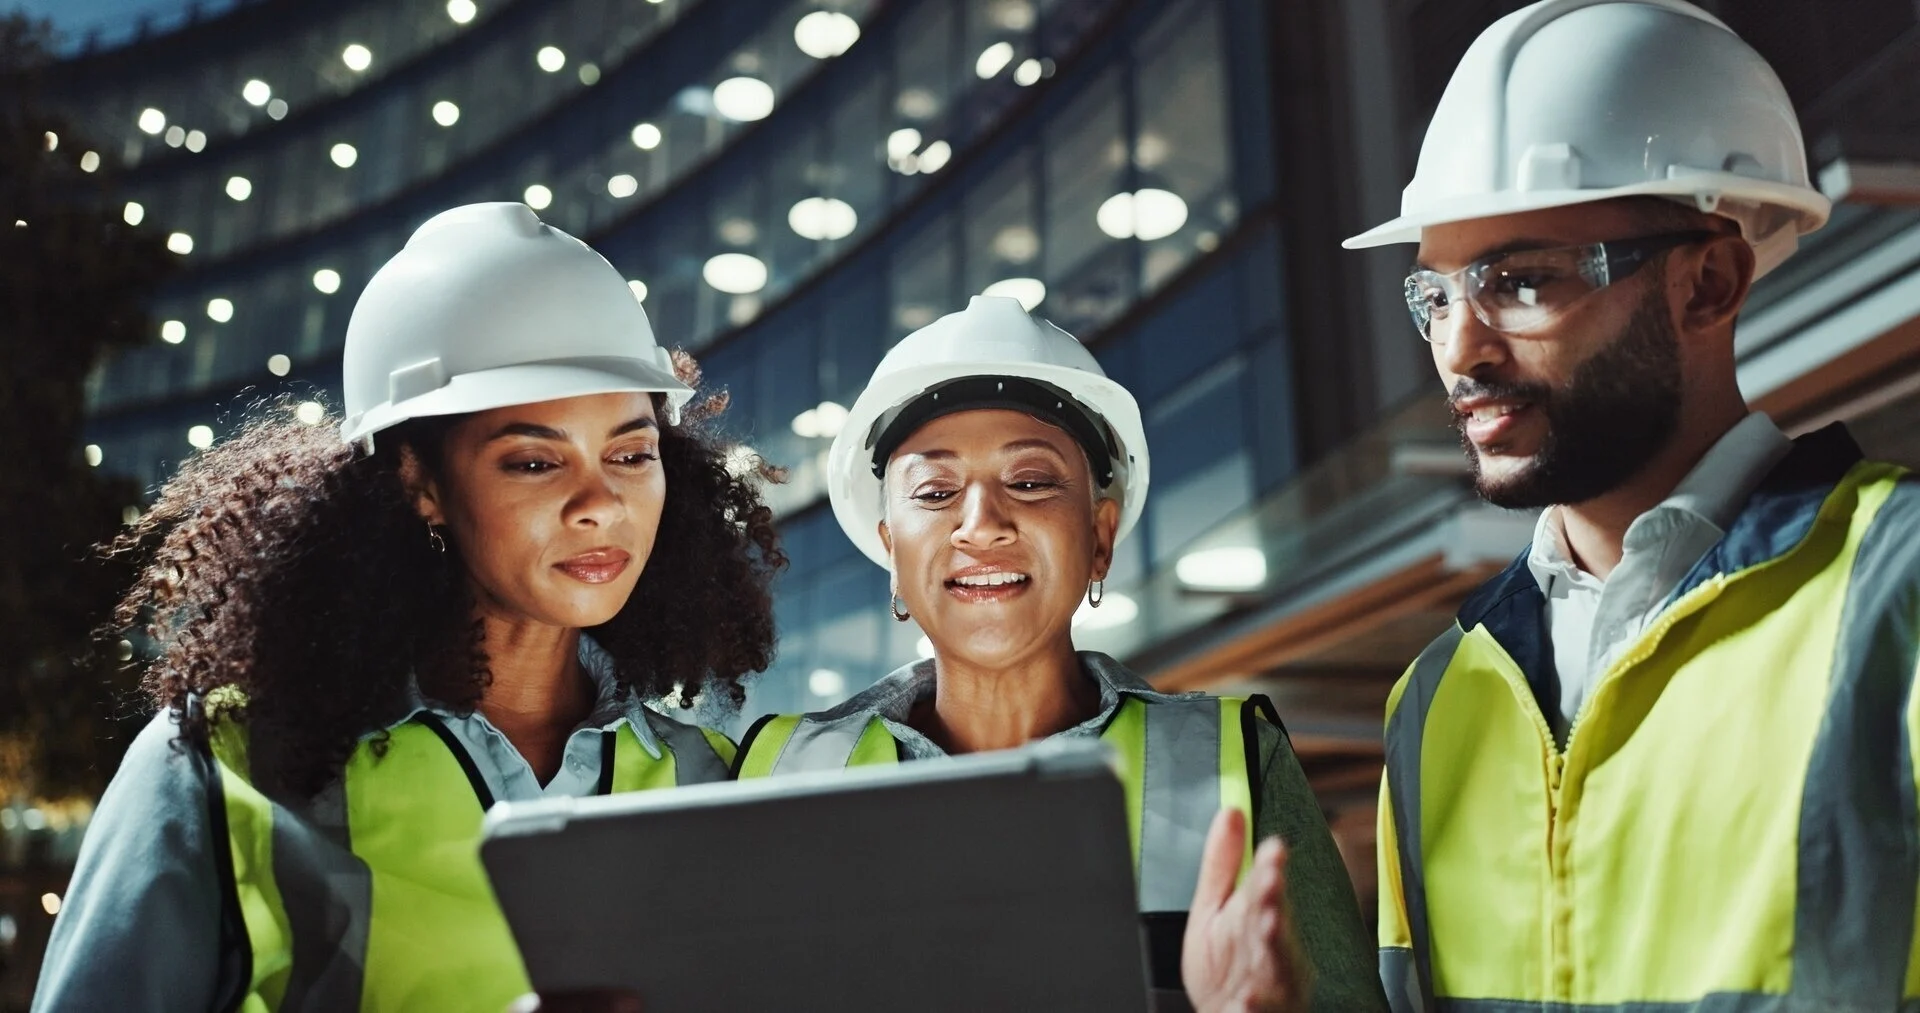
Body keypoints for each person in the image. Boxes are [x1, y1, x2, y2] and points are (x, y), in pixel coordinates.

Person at [32, 202, 786, 1012]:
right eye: (534, 461)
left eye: (632, 453)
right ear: (419, 483)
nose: (601, 502)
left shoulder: (714, 782)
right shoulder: (221, 768)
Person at [1343, 1, 1920, 1009]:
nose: (1460, 348)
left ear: (1709, 283)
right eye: (1435, 293)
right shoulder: (1434, 699)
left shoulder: (1896, 590)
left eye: (1520, 281)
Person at [734, 295, 1387, 1013]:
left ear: (1100, 538)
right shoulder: (777, 772)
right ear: (892, 551)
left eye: (1031, 481)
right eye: (936, 490)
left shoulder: (1233, 757)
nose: (980, 525)